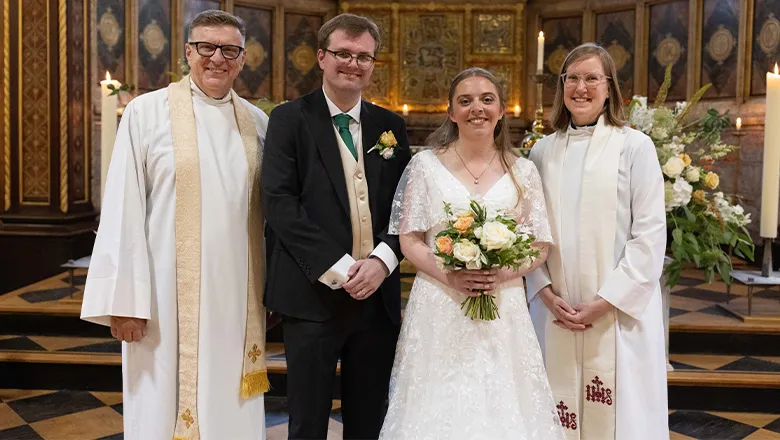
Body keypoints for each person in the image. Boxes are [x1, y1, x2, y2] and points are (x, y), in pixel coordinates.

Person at [81, 10, 269, 440]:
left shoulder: (258, 124)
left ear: (242, 60)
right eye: (206, 47)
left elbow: (268, 216)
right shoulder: (146, 113)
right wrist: (125, 300)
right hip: (163, 300)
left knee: (231, 409)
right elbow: (122, 209)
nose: (217, 58)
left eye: (230, 50)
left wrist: (269, 292)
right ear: (188, 52)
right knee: (160, 405)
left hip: (236, 300)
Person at [379, 67, 565, 440]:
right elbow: (410, 239)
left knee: (504, 401)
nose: (476, 108)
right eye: (465, 101)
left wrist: (502, 273)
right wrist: (450, 274)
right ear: (450, 112)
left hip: (502, 303)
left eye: (486, 99)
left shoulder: (523, 171)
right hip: (440, 302)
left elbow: (540, 243)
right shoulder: (424, 166)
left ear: (501, 111)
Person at [261, 14, 411, 440]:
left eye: (364, 56)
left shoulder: (390, 126)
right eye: (344, 53)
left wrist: (382, 262)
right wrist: (342, 268)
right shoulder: (290, 119)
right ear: (322, 58)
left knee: (369, 420)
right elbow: (280, 204)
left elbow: (406, 208)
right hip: (312, 297)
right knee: (308, 421)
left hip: (376, 300)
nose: (354, 63)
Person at [525, 43, 668, 440]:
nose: (581, 87)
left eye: (592, 78)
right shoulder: (542, 152)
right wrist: (547, 294)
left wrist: (604, 303)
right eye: (572, 78)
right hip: (556, 311)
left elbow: (651, 233)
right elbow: (530, 233)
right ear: (561, 87)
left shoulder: (635, 147)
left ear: (609, 88)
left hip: (617, 314)